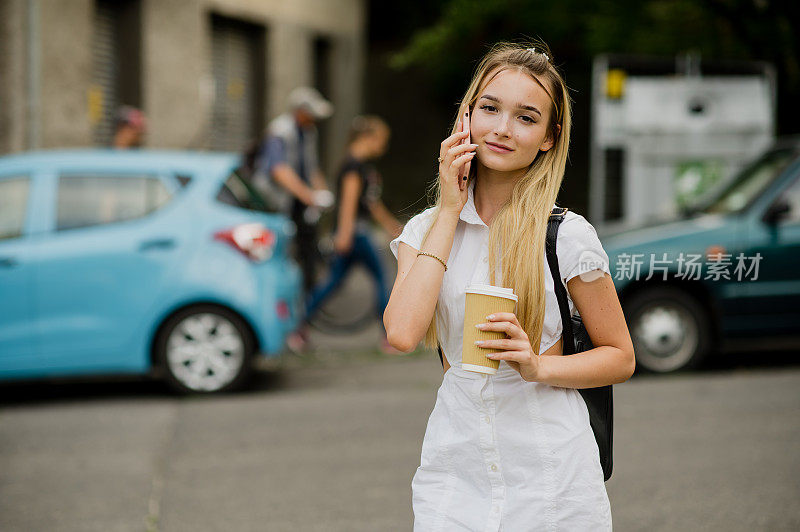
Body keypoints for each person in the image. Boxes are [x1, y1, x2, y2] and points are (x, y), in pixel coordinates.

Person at [383, 41, 636, 530]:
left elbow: (621, 357)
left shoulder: (567, 236)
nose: (502, 128)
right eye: (490, 108)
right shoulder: (425, 230)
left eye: (525, 117)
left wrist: (536, 364)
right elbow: (402, 332)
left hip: (552, 476)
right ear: (466, 116)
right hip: (454, 471)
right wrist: (451, 210)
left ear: (547, 137)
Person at [294, 115, 404, 353]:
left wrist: (391, 226)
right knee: (382, 279)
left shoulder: (361, 166)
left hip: (353, 233)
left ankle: (297, 329)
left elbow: (371, 204)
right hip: (355, 234)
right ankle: (389, 337)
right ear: (368, 137)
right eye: (381, 140)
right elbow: (349, 203)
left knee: (334, 281)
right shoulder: (352, 166)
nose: (383, 146)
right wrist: (343, 235)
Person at [248, 87, 336, 298]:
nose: (314, 119)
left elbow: (312, 167)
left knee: (308, 244)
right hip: (274, 201)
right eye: (311, 114)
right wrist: (308, 196)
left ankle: (306, 296)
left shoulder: (309, 132)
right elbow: (279, 170)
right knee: (277, 248)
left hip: (296, 199)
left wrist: (322, 191)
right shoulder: (280, 131)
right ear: (300, 111)